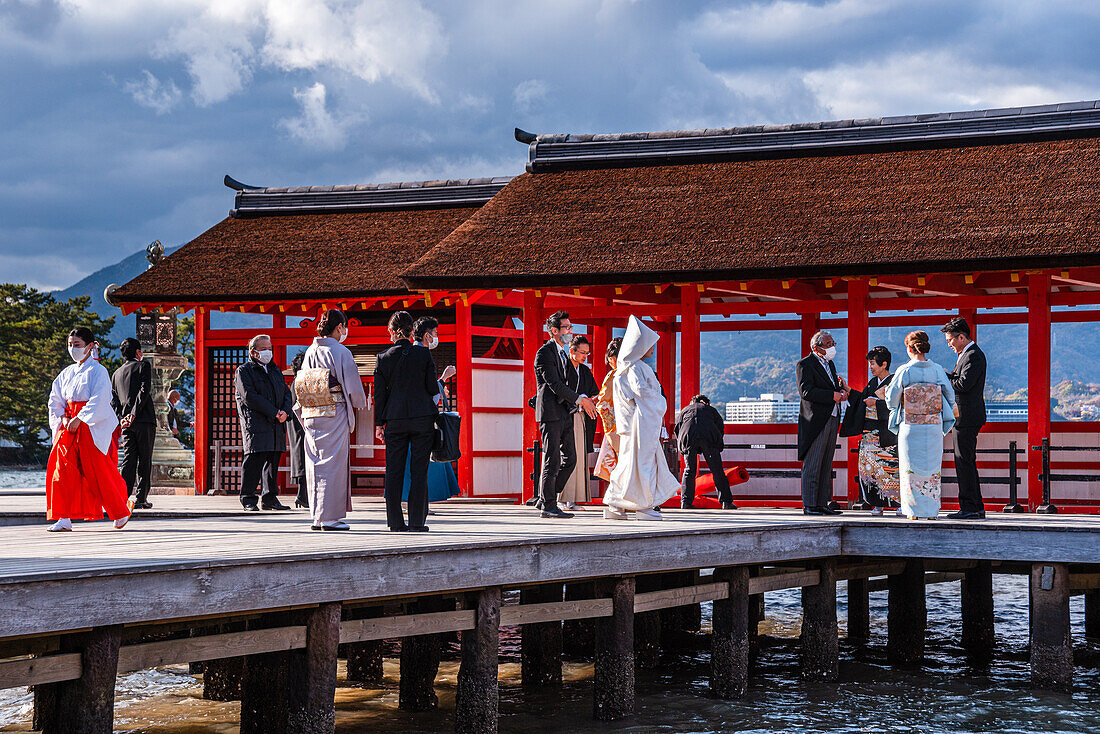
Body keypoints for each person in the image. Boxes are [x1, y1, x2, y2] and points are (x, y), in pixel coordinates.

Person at [45, 328, 132, 532]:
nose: (72, 348)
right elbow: (55, 398)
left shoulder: (98, 371)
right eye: (70, 344)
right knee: (61, 470)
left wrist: (80, 418)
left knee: (98, 471)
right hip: (68, 425)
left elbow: (101, 398)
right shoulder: (67, 372)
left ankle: (120, 512)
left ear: (90, 346)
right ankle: (63, 517)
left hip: (90, 426)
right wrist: (63, 418)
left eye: (77, 344)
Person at [294, 309, 368, 530]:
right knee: (332, 464)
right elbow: (353, 387)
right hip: (333, 411)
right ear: (339, 328)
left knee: (314, 463)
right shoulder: (341, 351)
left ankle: (317, 516)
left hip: (311, 412)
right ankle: (330, 518)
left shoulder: (310, 351)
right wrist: (359, 402)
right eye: (344, 327)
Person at [602, 316, 680, 520]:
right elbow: (644, 394)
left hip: (629, 426)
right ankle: (643, 505)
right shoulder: (637, 368)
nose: (652, 348)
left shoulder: (622, 370)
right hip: (641, 425)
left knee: (627, 466)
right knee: (644, 465)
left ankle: (615, 503)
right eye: (649, 345)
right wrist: (660, 402)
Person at [374, 311, 439, 532]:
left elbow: (379, 396)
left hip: (394, 419)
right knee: (419, 471)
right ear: (413, 332)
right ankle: (417, 522)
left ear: (390, 332)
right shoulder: (423, 355)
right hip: (422, 418)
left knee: (394, 471)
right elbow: (432, 387)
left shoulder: (383, 358)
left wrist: (378, 424)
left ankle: (395, 522)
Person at [533, 311, 598, 519]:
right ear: (554, 331)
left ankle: (546, 497)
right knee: (551, 459)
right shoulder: (545, 353)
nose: (571, 330)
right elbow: (554, 384)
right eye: (567, 327)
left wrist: (582, 399)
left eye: (571, 327)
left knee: (571, 459)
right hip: (550, 413)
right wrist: (580, 400)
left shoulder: (562, 354)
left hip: (565, 412)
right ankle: (549, 505)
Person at [885, 331, 956, 520]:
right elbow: (950, 395)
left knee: (910, 468)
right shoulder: (937, 369)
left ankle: (913, 512)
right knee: (932, 469)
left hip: (911, 425)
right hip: (932, 426)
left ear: (909, 347)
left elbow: (891, 399)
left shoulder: (905, 370)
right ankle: (931, 512)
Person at [401, 316, 460, 506]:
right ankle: (419, 503)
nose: (436, 337)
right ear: (427, 335)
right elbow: (428, 393)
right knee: (421, 463)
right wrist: (443, 379)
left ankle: (414, 502)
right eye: (435, 333)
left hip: (405, 416)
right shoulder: (423, 356)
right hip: (421, 418)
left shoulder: (407, 354)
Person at [235, 335, 293, 512]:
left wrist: (285, 412)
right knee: (254, 460)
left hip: (276, 424)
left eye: (270, 348)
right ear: (253, 352)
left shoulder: (275, 370)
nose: (269, 352)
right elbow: (249, 397)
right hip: (256, 423)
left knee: (272, 460)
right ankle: (248, 499)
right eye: (264, 349)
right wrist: (274, 412)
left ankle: (270, 498)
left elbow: (286, 393)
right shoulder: (244, 371)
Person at [840, 346, 900, 516]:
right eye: (870, 363)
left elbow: (898, 406)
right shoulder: (873, 383)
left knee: (890, 468)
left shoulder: (894, 382)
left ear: (884, 364)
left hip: (887, 433)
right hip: (870, 433)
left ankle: (899, 503)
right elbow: (862, 400)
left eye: (873, 363)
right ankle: (876, 504)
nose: (870, 367)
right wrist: (849, 390)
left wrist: (877, 404)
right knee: (870, 470)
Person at [796, 330, 848, 516]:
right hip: (816, 420)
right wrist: (831, 396)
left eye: (833, 343)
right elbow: (806, 392)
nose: (832, 347)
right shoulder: (805, 364)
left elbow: (831, 387)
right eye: (828, 344)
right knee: (813, 463)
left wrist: (841, 392)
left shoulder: (830, 364)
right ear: (816, 348)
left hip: (833, 416)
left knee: (826, 463)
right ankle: (810, 504)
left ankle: (822, 503)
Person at [941, 317, 988, 519]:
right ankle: (974, 506)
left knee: (964, 461)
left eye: (950, 340)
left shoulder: (973, 356)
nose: (949, 344)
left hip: (967, 416)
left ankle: (970, 507)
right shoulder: (967, 354)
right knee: (965, 461)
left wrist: (945, 377)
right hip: (965, 416)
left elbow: (963, 384)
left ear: (961, 337)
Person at [111, 337, 155, 510]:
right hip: (143, 419)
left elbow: (114, 400)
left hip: (126, 424)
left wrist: (123, 417)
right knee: (145, 459)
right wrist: (134, 413)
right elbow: (144, 391)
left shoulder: (116, 374)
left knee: (128, 460)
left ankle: (123, 496)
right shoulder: (143, 366)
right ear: (138, 352)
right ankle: (141, 498)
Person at [559, 335, 600, 510]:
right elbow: (559, 391)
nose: (585, 356)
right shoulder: (562, 368)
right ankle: (559, 497)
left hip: (580, 418)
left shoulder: (584, 371)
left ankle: (573, 499)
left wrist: (590, 399)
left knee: (579, 457)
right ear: (572, 351)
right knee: (565, 457)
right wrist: (579, 399)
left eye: (587, 353)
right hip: (564, 417)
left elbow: (594, 391)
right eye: (582, 353)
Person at [675, 394, 737, 510]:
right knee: (717, 470)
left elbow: (678, 429)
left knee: (689, 471)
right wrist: (716, 443)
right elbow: (720, 427)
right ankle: (726, 502)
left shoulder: (685, 410)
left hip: (688, 437)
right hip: (708, 437)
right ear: (706, 402)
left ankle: (685, 502)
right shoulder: (711, 410)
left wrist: (683, 447)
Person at [594, 338, 622, 483]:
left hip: (616, 425)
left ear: (612, 358)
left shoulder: (613, 376)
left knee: (618, 463)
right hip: (629, 425)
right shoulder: (633, 373)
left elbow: (603, 403)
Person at [286, 351, 309, 509]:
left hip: (297, 424)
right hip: (301, 423)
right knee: (304, 457)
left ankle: (303, 495)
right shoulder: (301, 381)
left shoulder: (296, 381)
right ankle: (302, 495)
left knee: (301, 457)